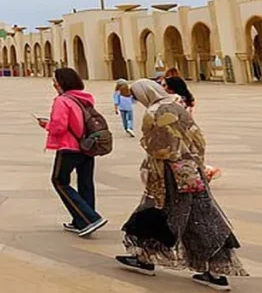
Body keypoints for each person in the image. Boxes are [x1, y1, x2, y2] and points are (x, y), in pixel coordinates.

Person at [116, 79, 246, 290]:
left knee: (159, 212)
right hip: (192, 170)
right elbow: (198, 139)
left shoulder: (154, 111)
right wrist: (197, 162)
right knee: (202, 216)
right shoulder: (178, 107)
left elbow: (156, 148)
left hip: (169, 173)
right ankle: (216, 270)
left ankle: (144, 259)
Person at [37, 67, 107, 237]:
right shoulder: (84, 98)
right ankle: (81, 221)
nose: (53, 83)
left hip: (70, 147)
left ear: (61, 82)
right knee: (85, 183)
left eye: (55, 80)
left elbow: (59, 127)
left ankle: (90, 218)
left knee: (59, 180)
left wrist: (47, 124)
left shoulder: (62, 100)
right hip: (87, 145)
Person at [166, 76, 222, 181]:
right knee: (195, 153)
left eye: (165, 85)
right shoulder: (186, 98)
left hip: (181, 131)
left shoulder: (174, 99)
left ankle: (195, 176)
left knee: (184, 156)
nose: (162, 88)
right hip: (192, 129)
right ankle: (201, 173)